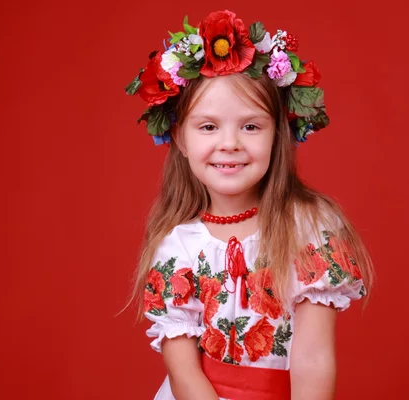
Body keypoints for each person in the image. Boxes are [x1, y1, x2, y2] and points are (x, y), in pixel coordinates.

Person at [124, 9, 374, 400]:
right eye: (208, 126)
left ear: (279, 133)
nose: (230, 143)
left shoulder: (308, 228)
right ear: (181, 139)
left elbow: (313, 356)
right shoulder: (178, 246)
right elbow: (183, 370)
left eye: (251, 126)